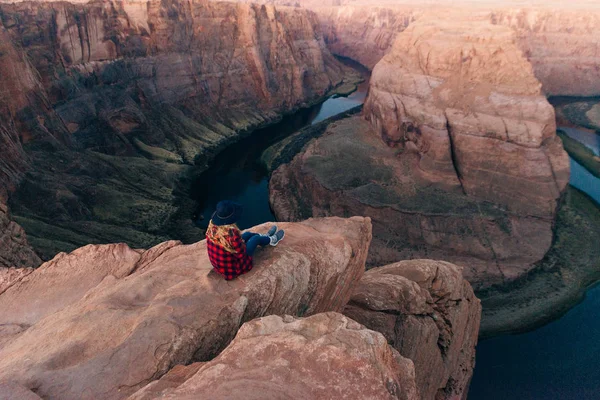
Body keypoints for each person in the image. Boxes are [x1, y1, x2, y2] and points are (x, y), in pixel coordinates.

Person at [206, 200, 285, 280]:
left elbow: (231, 246)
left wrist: (242, 242)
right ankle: (272, 240)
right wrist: (245, 243)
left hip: (220, 266)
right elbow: (241, 254)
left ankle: (265, 238)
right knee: (254, 239)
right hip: (234, 268)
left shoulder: (212, 228)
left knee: (247, 234)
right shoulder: (231, 234)